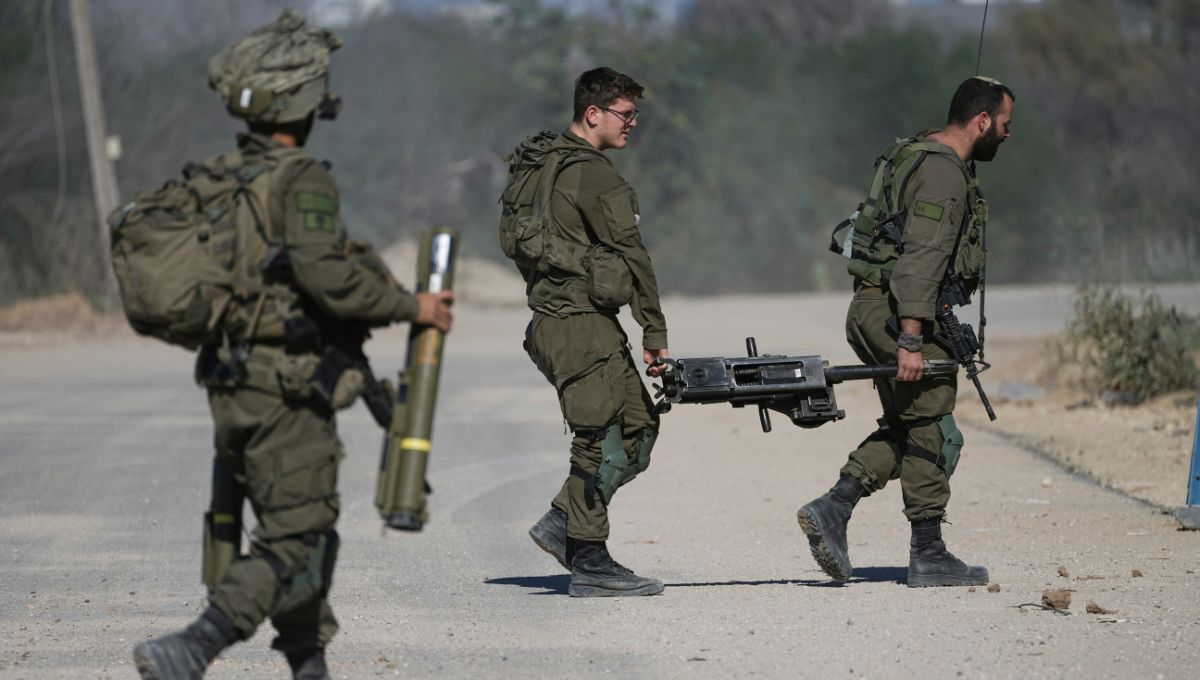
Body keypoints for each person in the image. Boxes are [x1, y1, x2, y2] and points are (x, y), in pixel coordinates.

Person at [132, 10, 453, 679]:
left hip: (232, 382)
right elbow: (327, 278)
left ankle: (309, 664)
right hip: (284, 387)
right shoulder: (299, 176)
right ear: (301, 102)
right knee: (298, 532)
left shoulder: (221, 175)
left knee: (300, 524)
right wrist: (412, 305)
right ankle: (198, 642)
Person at [798, 76, 1015, 588]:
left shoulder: (917, 152)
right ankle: (928, 552)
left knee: (907, 422)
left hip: (880, 307)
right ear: (981, 121)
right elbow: (921, 260)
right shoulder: (943, 175)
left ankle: (835, 507)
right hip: (896, 312)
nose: (1007, 136)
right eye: (1004, 125)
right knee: (934, 427)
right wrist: (912, 339)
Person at [517, 67, 670, 597]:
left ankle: (563, 523)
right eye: (625, 115)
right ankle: (591, 561)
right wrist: (654, 331)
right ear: (593, 114)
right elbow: (635, 256)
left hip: (560, 322)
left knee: (637, 429)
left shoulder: (538, 163)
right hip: (578, 324)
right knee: (596, 439)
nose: (632, 125)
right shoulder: (596, 174)